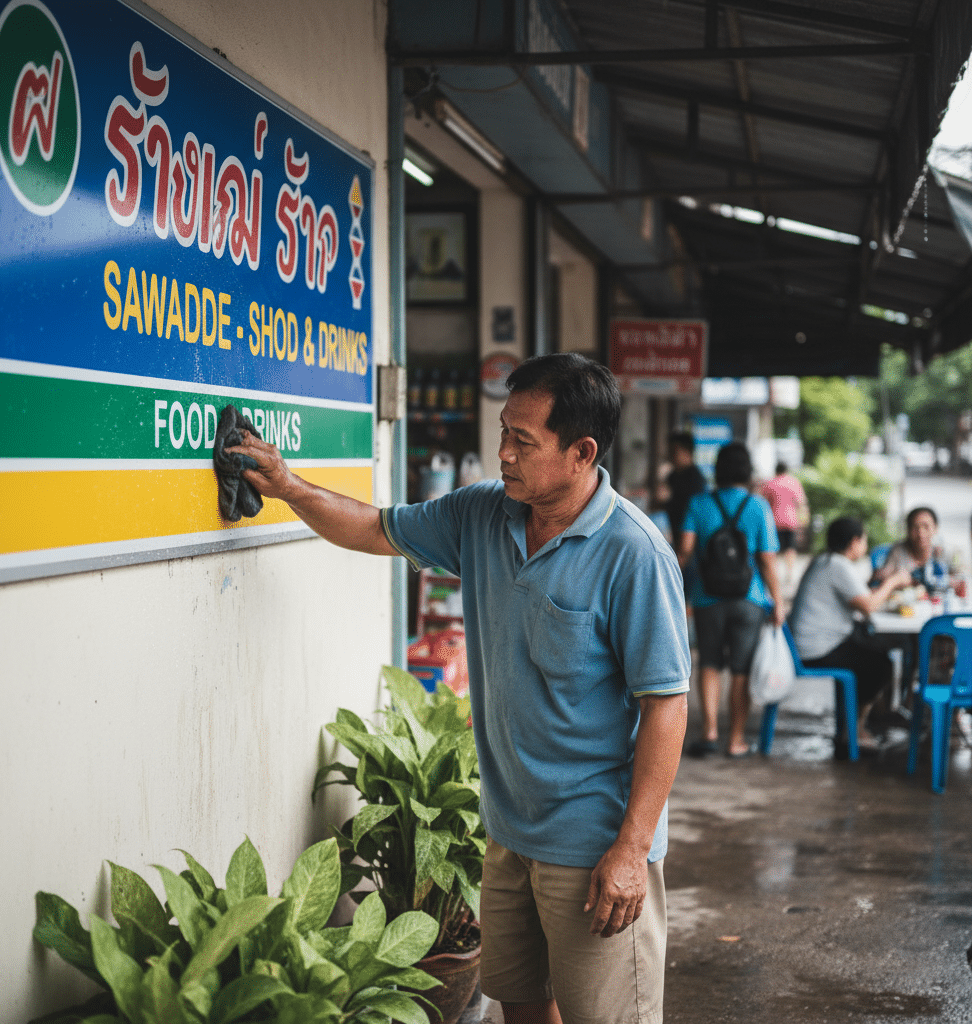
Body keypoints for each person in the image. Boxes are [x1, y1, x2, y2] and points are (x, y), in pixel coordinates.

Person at [226, 352, 692, 1024]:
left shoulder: (634, 554)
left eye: (523, 442)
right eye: (504, 432)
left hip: (594, 847)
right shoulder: (483, 513)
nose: (501, 453)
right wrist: (289, 486)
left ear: (582, 451)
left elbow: (666, 710)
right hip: (509, 835)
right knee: (523, 1008)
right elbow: (372, 526)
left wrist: (631, 847)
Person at [677, 442, 784, 758]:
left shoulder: (698, 503)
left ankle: (709, 731)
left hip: (706, 596)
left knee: (709, 662)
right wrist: (777, 600)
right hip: (748, 598)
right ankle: (735, 739)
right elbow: (767, 559)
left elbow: (683, 551)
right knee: (741, 668)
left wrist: (674, 590)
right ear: (747, 471)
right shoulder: (758, 507)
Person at [788, 516, 912, 756]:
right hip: (816, 649)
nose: (864, 543)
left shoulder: (826, 561)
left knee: (875, 651)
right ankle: (855, 729)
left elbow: (858, 595)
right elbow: (868, 606)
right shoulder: (838, 565)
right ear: (855, 541)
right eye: (863, 539)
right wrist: (894, 581)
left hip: (809, 644)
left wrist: (879, 582)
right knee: (881, 664)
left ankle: (861, 722)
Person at [871, 507, 947, 590]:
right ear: (908, 529)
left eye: (926, 526)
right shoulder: (898, 550)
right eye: (915, 527)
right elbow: (885, 574)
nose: (920, 533)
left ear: (935, 528)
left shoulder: (941, 552)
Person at [760, 461, 809, 587]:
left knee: (774, 549)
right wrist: (803, 521)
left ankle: (774, 573)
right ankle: (789, 574)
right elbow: (801, 503)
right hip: (791, 521)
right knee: (790, 548)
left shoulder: (770, 483)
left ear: (776, 470)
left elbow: (763, 502)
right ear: (786, 470)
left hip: (773, 522)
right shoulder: (793, 482)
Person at [664, 431, 707, 552]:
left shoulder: (696, 481)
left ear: (687, 452)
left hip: (690, 545)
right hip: (675, 537)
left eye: (674, 452)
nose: (670, 456)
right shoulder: (673, 476)